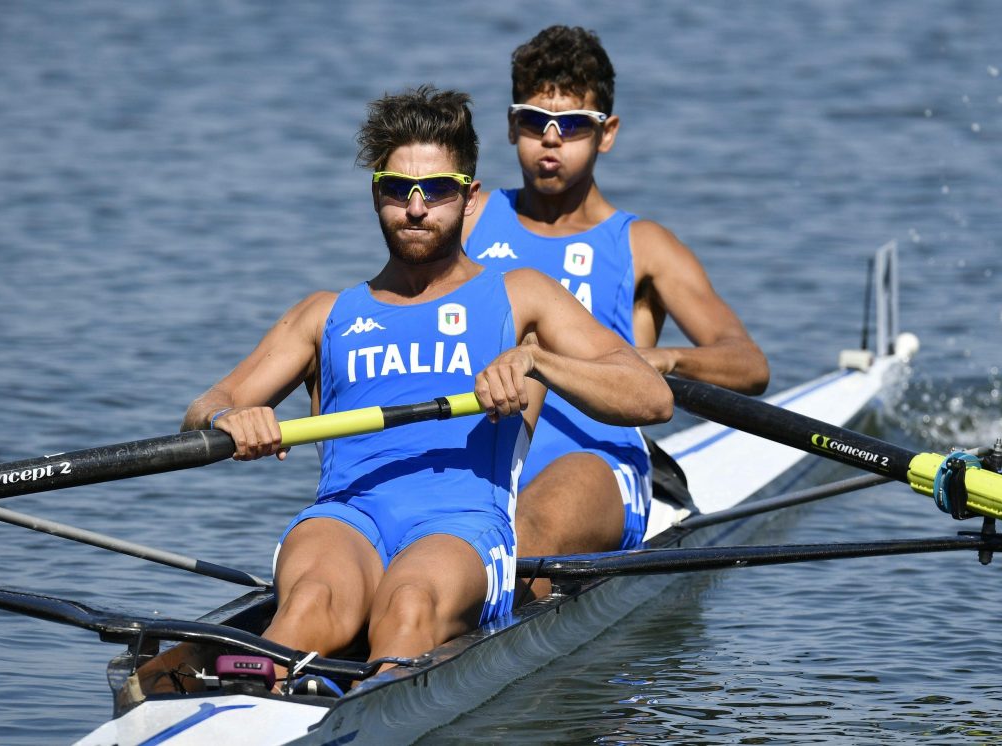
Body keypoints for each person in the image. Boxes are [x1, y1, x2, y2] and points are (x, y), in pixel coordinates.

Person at [181, 86, 672, 687]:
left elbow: (650, 396)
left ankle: (368, 699)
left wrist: (538, 364)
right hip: (345, 516)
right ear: (375, 194)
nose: (416, 208)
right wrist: (228, 419)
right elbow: (209, 404)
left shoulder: (522, 296)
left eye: (437, 190)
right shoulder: (323, 314)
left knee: (409, 605)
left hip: (462, 525)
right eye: (398, 189)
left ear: (467, 197)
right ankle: (244, 700)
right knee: (308, 602)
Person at [464, 26, 770, 599]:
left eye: (574, 125)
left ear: (607, 134)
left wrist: (665, 358)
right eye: (534, 120)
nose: (550, 141)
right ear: (510, 126)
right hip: (484, 448)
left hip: (595, 460)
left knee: (519, 546)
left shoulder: (643, 246)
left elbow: (749, 364)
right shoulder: (470, 216)